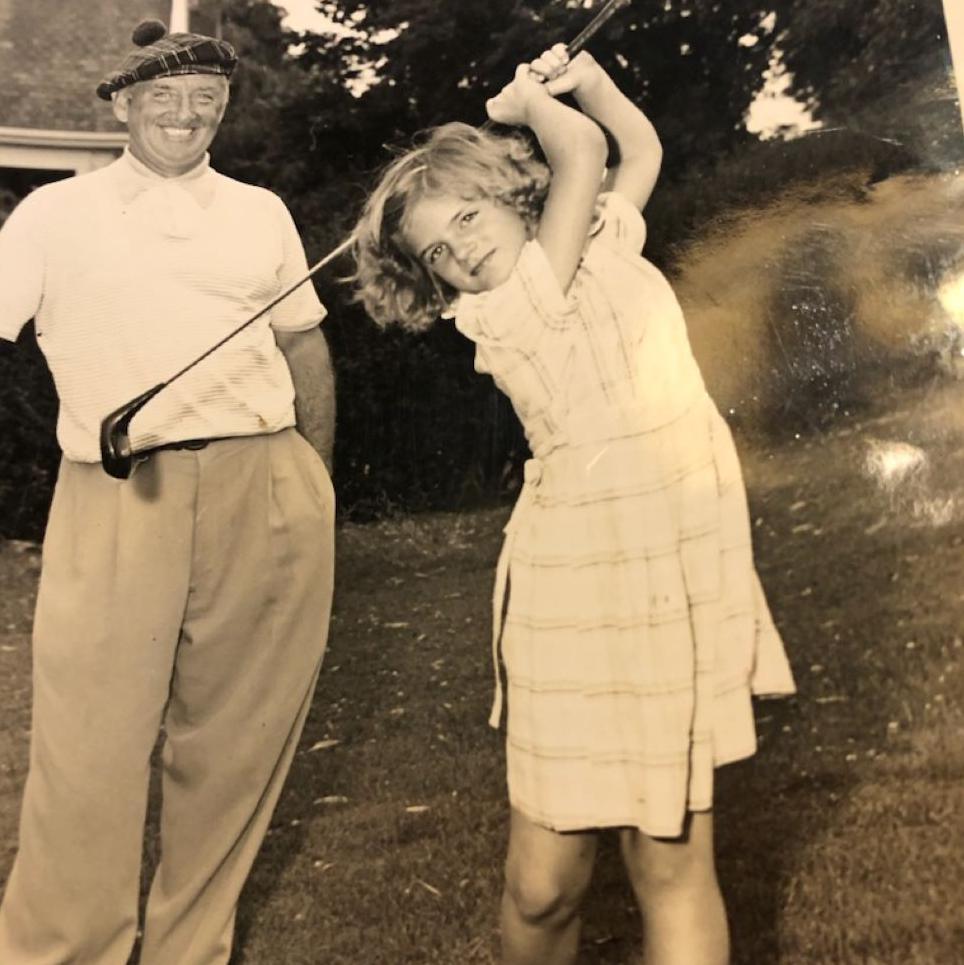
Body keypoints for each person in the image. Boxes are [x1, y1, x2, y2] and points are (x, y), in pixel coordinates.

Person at [351, 45, 796, 965]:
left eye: (468, 217)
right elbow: (584, 153)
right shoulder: (503, 314)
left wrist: (583, 78)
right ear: (437, 281)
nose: (463, 249)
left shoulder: (594, 240)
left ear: (513, 197)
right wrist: (528, 106)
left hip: (673, 554)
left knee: (671, 855)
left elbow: (634, 151)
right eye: (439, 251)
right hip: (579, 581)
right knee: (544, 882)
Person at [0, 20, 335, 965]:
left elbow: (304, 342)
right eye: (163, 97)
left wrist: (309, 469)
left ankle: (192, 952)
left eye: (206, 100)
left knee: (234, 749)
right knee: (89, 759)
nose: (186, 116)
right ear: (121, 104)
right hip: (120, 493)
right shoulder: (52, 217)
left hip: (263, 481)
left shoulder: (260, 210)